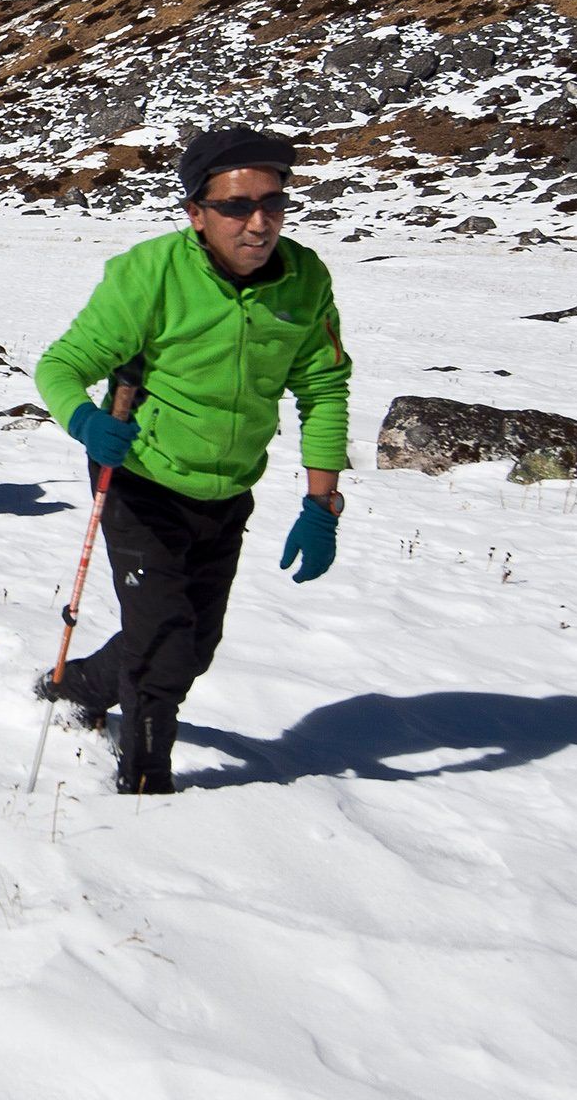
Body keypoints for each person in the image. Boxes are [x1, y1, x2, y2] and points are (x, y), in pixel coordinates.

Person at [32, 126, 351, 795]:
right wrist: (86, 420)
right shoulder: (149, 275)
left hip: (227, 490)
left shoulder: (303, 280)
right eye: (237, 206)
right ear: (197, 215)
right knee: (165, 647)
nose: (259, 222)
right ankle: (147, 784)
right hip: (139, 482)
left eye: (273, 202)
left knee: (194, 645)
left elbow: (322, 388)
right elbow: (62, 366)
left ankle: (80, 685)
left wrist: (322, 503)